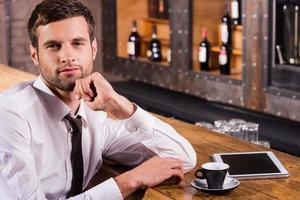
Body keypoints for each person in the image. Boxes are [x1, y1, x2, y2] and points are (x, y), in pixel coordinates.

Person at [0, 0, 196, 199]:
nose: (68, 56)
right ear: (35, 55)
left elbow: (182, 158)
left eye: (77, 43)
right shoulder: (10, 114)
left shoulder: (93, 119)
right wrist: (130, 180)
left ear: (93, 49)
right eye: (54, 46)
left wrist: (117, 104)